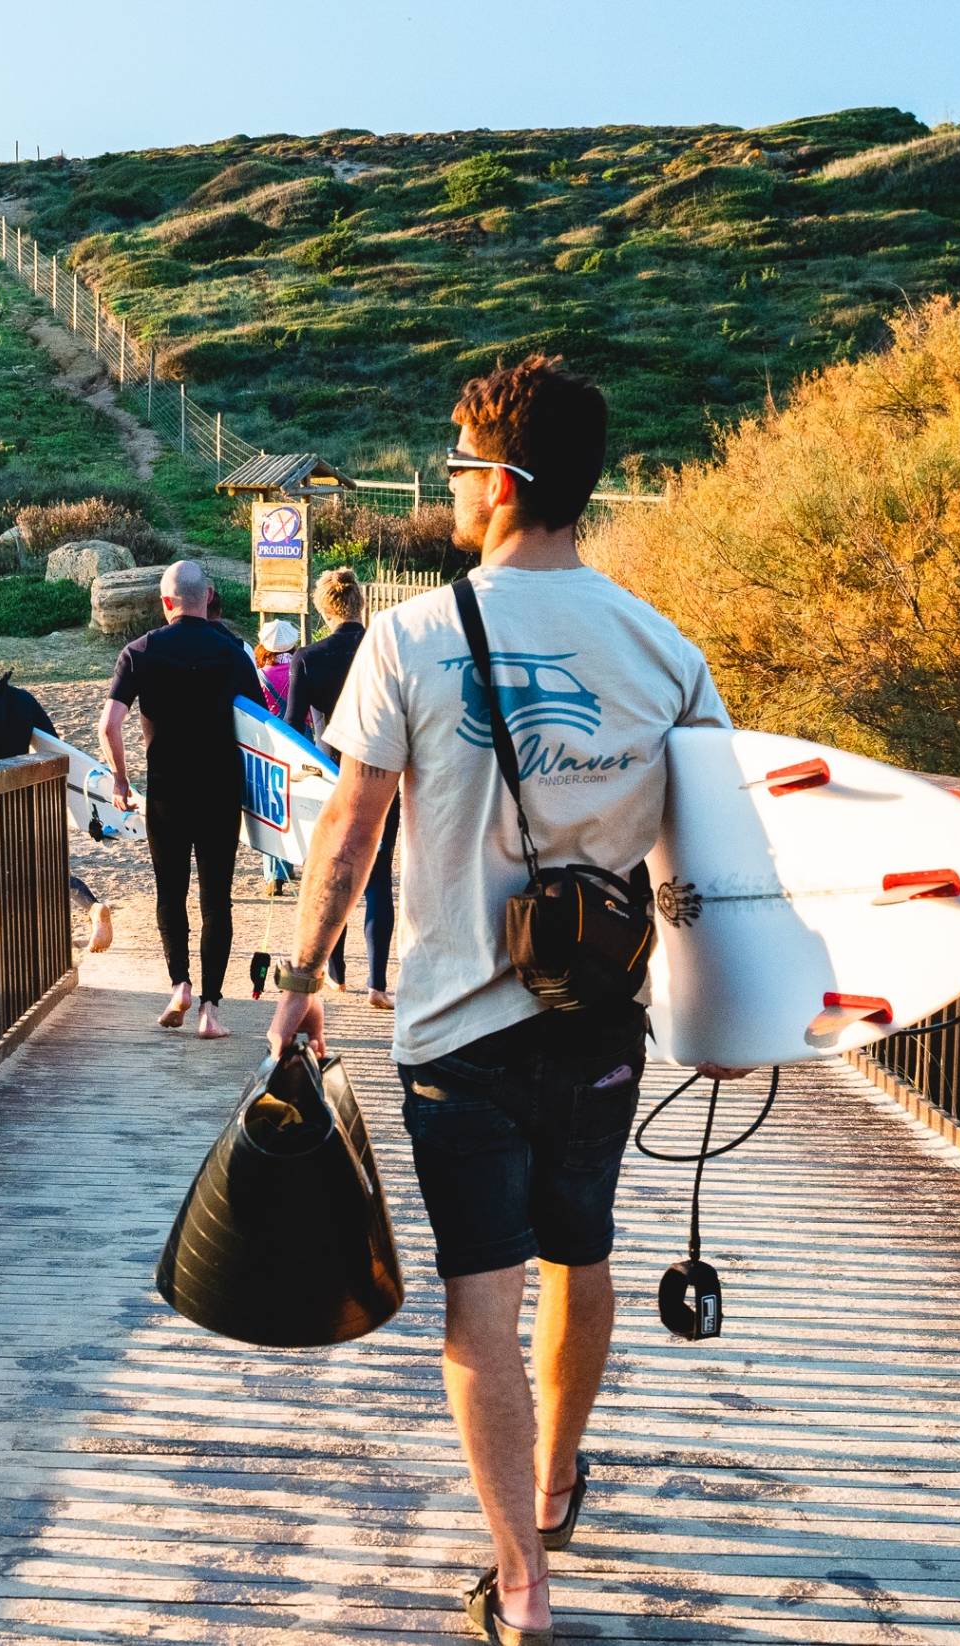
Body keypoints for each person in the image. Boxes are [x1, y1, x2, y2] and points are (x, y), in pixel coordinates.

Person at [265, 358, 734, 1644]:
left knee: (484, 1294)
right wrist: (732, 1014)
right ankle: (559, 1471)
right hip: (600, 1023)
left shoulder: (415, 636)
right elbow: (716, 857)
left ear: (505, 481)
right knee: (582, 1250)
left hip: (456, 1031)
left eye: (462, 464)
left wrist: (301, 985)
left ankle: (522, 1578)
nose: (454, 485)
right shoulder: (662, 646)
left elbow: (350, 836)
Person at [99, 561, 263, 1039]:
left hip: (167, 793)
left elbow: (109, 725)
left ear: (165, 602)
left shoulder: (138, 651)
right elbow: (260, 728)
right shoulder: (233, 651)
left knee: (170, 892)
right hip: (221, 792)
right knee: (217, 900)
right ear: (208, 596)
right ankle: (211, 1011)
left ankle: (179, 986)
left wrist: (122, 781)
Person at [0, 636, 114, 953]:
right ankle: (91, 908)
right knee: (40, 867)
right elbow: (54, 746)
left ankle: (8, 943)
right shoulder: (23, 699)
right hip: (28, 797)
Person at [289, 567, 397, 1008]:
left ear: (323, 608)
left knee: (337, 869)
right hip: (382, 771)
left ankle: (336, 973)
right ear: (361, 603)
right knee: (378, 878)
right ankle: (377, 982)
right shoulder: (385, 649)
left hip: (330, 774)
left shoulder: (309, 658)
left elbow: (294, 726)